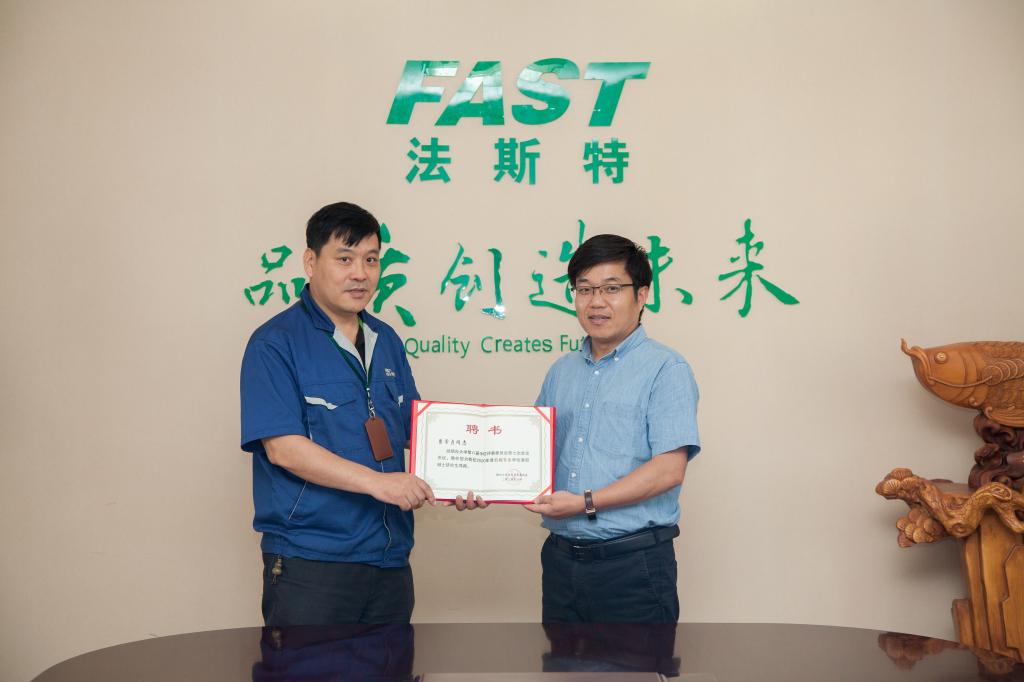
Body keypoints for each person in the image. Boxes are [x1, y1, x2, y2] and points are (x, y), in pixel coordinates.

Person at [240, 201, 450, 626]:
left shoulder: (385, 339)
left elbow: (417, 430)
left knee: (393, 661)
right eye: (345, 259)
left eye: (371, 260)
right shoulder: (275, 343)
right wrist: (379, 484)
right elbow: (283, 448)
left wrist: (466, 478)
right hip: (312, 562)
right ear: (310, 262)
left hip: (390, 559)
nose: (361, 273)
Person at [525, 233, 701, 623]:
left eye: (611, 288)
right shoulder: (561, 371)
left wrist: (585, 502)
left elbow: (668, 470)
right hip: (561, 563)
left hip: (633, 567)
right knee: (559, 659)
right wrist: (487, 485)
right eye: (584, 289)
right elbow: (529, 456)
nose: (596, 302)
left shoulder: (666, 369)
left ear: (642, 294)